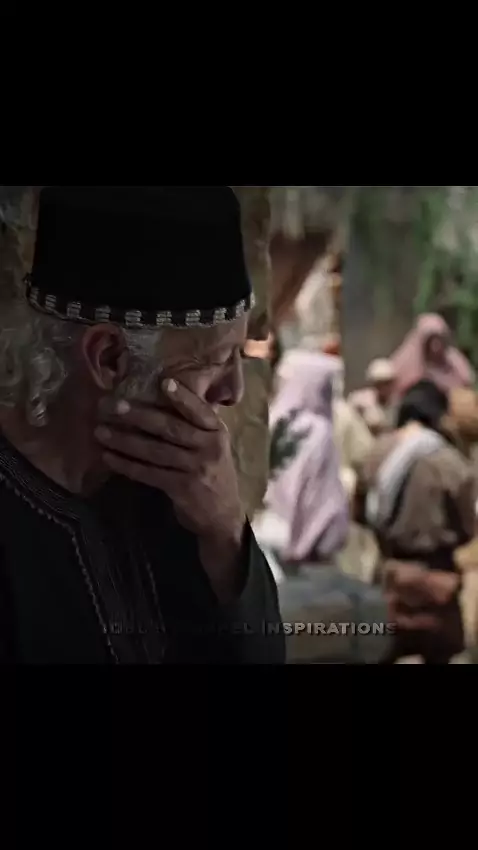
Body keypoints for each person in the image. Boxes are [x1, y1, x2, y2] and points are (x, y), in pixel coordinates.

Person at [0, 185, 284, 665]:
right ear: (109, 358)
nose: (233, 391)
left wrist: (225, 534)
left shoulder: (175, 494)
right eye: (215, 360)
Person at [255, 349, 389, 664]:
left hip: (270, 553)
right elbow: (322, 504)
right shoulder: (316, 431)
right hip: (311, 560)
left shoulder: (273, 424)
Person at [355, 380, 476, 664]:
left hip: (388, 578)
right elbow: (469, 526)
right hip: (437, 583)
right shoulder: (450, 462)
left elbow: (358, 513)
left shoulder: (376, 453)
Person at [391, 313, 475, 398]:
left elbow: (467, 385)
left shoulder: (455, 364)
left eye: (439, 340)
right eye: (431, 341)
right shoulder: (408, 366)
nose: (436, 346)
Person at [348, 358, 397, 436]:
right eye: (381, 383)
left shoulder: (395, 404)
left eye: (388, 383)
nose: (385, 388)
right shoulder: (360, 400)